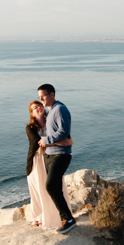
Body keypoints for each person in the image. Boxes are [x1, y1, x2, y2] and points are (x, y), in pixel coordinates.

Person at [26, 101, 73, 229]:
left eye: (39, 106)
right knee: (40, 189)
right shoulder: (30, 127)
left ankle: (59, 215)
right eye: (34, 108)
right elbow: (38, 142)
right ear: (32, 113)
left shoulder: (51, 121)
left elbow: (64, 135)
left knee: (55, 186)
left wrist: (65, 140)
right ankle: (38, 217)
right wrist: (59, 142)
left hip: (51, 157)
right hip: (36, 161)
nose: (38, 108)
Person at [37, 84, 76, 233]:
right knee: (56, 187)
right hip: (50, 154)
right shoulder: (50, 110)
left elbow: (64, 131)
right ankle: (65, 218)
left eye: (43, 96)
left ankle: (69, 219)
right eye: (39, 97)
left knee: (51, 186)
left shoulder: (59, 109)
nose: (41, 99)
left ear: (52, 94)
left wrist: (46, 140)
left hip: (60, 154)